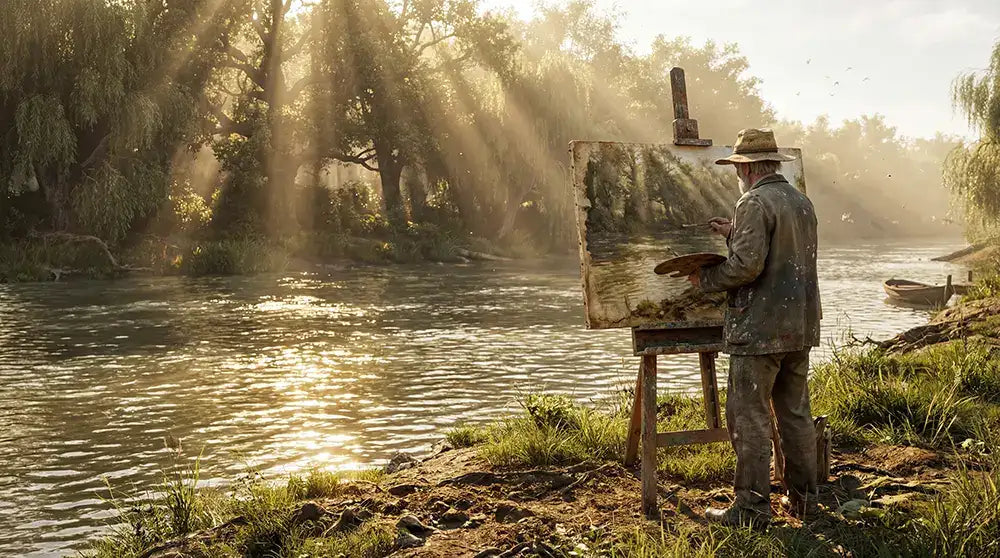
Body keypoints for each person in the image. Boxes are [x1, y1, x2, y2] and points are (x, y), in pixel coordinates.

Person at [687, 128, 821, 528]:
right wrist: (735, 233)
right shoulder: (800, 200)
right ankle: (805, 501)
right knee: (795, 413)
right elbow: (782, 248)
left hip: (760, 330)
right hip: (799, 324)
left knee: (749, 418)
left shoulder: (753, 201)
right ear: (773, 164)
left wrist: (705, 281)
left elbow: (746, 267)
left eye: (737, 168)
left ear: (744, 168)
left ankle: (751, 510)